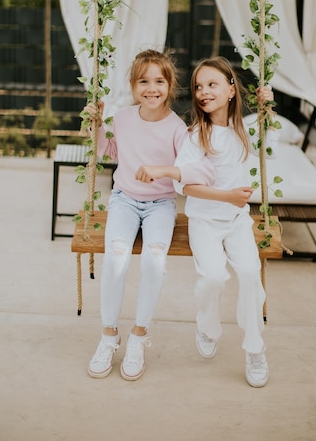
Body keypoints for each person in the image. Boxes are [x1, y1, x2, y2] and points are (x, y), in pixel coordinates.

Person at [136, 56, 278, 387]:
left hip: (237, 221)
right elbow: (185, 185)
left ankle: (255, 347)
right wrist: (227, 195)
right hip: (204, 220)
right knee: (213, 276)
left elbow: (266, 124)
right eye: (198, 86)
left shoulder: (246, 130)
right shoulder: (196, 135)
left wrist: (266, 104)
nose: (203, 92)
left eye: (212, 84)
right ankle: (207, 324)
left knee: (248, 273)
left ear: (232, 90)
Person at [83, 49, 214, 382]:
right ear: (132, 85)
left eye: (159, 81)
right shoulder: (123, 118)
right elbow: (109, 150)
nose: (151, 88)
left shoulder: (176, 129)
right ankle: (109, 335)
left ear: (170, 86)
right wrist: (95, 126)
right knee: (115, 258)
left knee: (155, 260)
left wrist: (161, 171)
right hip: (124, 200)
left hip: (160, 206)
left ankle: (138, 337)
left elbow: (191, 170)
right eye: (144, 81)